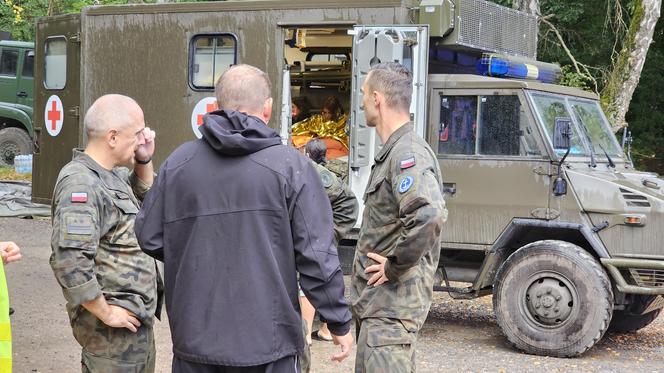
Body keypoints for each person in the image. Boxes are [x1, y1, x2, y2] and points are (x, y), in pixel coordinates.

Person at [135, 64, 353, 373]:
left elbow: (149, 236)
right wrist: (338, 320)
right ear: (267, 107)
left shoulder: (178, 164)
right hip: (269, 343)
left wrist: (196, 250)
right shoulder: (292, 167)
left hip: (195, 341)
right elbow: (316, 256)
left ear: (214, 107)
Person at [49, 94, 162, 372]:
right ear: (112, 137)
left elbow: (148, 203)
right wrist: (105, 311)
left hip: (133, 328)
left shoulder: (112, 175)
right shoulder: (81, 184)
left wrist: (144, 159)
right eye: (137, 133)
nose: (142, 138)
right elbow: (70, 261)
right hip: (110, 337)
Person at [351, 62, 448, 373]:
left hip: (390, 312)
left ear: (378, 98)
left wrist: (395, 266)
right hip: (380, 310)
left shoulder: (408, 154)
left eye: (364, 94)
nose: (362, 101)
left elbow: (429, 215)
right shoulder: (395, 152)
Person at [298, 139, 358, 344]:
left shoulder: (312, 172)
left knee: (308, 280)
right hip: (319, 235)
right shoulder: (332, 169)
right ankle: (325, 328)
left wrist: (325, 234)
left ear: (307, 154)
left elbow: (348, 203)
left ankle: (306, 334)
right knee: (328, 273)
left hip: (316, 236)